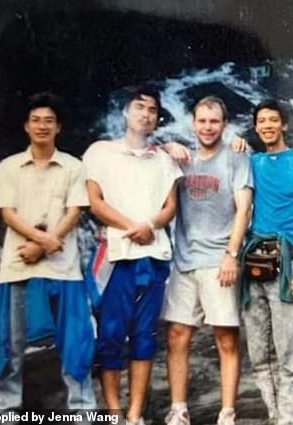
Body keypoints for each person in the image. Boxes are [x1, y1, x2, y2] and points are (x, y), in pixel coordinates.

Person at [0, 92, 96, 411]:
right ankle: (7, 409)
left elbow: (75, 211)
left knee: (75, 340)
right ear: (26, 126)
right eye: (36, 120)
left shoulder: (74, 166)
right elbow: (7, 212)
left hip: (64, 267)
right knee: (10, 342)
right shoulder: (9, 167)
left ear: (59, 127)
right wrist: (40, 240)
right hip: (19, 266)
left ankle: (82, 408)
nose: (42, 126)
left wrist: (48, 242)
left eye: (49, 121)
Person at [83, 85, 182, 425]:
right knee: (110, 336)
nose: (146, 114)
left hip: (154, 256)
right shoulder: (100, 151)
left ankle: (136, 414)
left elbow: (170, 206)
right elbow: (94, 200)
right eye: (139, 107)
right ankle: (113, 413)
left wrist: (150, 225)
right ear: (125, 111)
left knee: (144, 336)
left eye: (152, 110)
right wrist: (131, 226)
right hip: (114, 258)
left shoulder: (164, 158)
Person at [161, 96, 253, 425]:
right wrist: (167, 145)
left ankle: (227, 411)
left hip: (219, 261)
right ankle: (179, 409)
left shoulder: (237, 158)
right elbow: (148, 156)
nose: (208, 127)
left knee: (225, 337)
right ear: (192, 123)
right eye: (202, 121)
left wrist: (231, 254)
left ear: (224, 125)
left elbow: (244, 209)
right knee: (177, 335)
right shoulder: (181, 158)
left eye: (214, 121)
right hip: (184, 261)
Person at [240, 100, 293, 425]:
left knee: (288, 348)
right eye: (261, 121)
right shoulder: (252, 162)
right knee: (259, 350)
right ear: (256, 127)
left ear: (284, 125)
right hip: (254, 259)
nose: (267, 126)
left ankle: (289, 418)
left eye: (273, 120)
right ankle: (274, 414)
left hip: (287, 260)